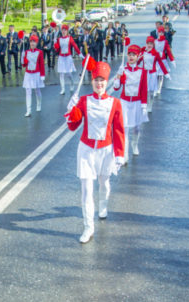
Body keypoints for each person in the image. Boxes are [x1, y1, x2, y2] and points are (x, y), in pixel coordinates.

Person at [64, 61, 125, 244]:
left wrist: (120, 153)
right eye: (96, 80)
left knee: (104, 182)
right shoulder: (84, 101)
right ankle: (88, 227)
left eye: (102, 81)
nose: (99, 84)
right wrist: (71, 109)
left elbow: (119, 130)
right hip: (86, 150)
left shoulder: (115, 103)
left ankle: (103, 206)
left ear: (107, 82)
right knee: (86, 189)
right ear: (92, 82)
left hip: (106, 151)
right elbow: (72, 126)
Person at [113, 44, 148, 159]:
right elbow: (116, 87)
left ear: (138, 57)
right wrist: (118, 76)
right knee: (125, 128)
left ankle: (135, 144)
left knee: (136, 128)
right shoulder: (123, 70)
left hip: (137, 103)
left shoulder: (142, 71)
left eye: (134, 55)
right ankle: (125, 154)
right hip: (125, 102)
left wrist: (144, 105)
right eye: (130, 55)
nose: (131, 57)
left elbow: (144, 89)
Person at [141, 36, 169, 112]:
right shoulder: (143, 52)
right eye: (148, 43)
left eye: (151, 43)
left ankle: (150, 105)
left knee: (151, 91)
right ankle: (145, 104)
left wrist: (166, 73)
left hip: (152, 74)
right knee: (144, 91)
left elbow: (161, 63)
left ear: (153, 45)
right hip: (145, 74)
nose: (149, 45)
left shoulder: (155, 53)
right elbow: (137, 61)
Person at [22, 35, 45, 117]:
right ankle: (28, 110)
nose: (32, 43)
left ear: (36, 43)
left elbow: (41, 64)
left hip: (36, 74)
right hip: (28, 74)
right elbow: (24, 65)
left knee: (37, 90)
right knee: (28, 91)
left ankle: (39, 104)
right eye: (31, 42)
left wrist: (42, 75)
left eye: (34, 42)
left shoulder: (40, 52)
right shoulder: (26, 52)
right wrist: (23, 60)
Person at [54, 24, 81, 95]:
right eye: (62, 30)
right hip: (61, 57)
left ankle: (72, 83)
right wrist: (55, 44)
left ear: (67, 31)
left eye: (65, 30)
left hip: (68, 57)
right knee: (61, 74)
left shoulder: (70, 38)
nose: (64, 31)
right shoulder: (59, 39)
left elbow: (75, 46)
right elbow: (57, 49)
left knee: (69, 74)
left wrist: (79, 53)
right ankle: (63, 89)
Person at [153, 30, 175, 96]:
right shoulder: (155, 41)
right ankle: (155, 88)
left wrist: (172, 60)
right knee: (155, 75)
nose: (161, 34)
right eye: (160, 32)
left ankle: (159, 89)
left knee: (161, 75)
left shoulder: (165, 42)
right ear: (158, 33)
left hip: (162, 59)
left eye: (162, 33)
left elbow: (168, 51)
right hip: (156, 59)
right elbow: (151, 48)